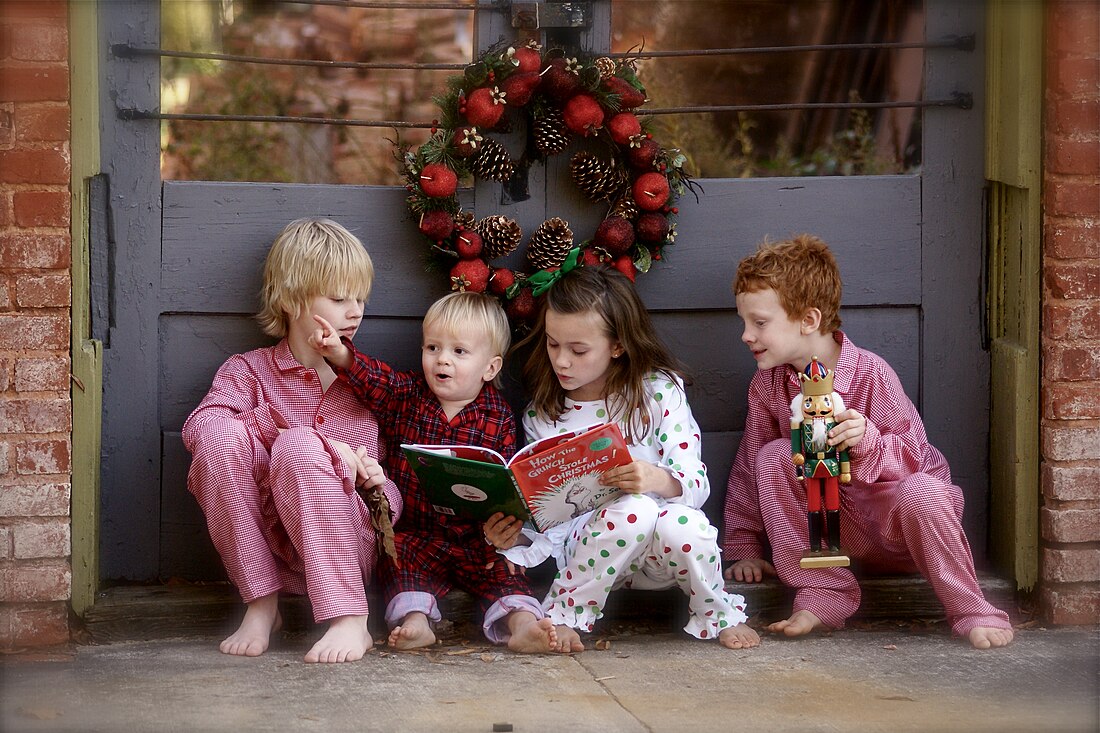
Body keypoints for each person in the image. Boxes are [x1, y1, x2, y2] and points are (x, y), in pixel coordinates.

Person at [722, 233, 1014, 649]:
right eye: (744, 323)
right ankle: (825, 591)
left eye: (760, 323)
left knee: (925, 493)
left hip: (897, 529)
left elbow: (923, 465)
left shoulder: (871, 374)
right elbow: (751, 465)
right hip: (834, 532)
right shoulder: (769, 385)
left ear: (809, 320)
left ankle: (971, 608)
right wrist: (746, 544)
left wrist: (869, 442)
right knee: (772, 456)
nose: (746, 335)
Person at [485, 262, 760, 652]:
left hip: (665, 552)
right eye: (552, 344)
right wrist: (515, 534)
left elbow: (695, 483)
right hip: (592, 552)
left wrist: (655, 479)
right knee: (634, 511)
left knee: (684, 524)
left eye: (578, 350)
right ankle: (565, 613)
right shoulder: (545, 415)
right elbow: (546, 517)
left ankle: (717, 612)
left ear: (617, 345)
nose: (561, 361)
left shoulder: (659, 393)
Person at [182, 217, 401, 664]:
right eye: (339, 298)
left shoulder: (367, 382)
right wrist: (299, 435)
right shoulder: (250, 371)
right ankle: (261, 604)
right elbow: (199, 430)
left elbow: (392, 502)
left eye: (360, 298)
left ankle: (349, 619)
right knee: (223, 437)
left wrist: (368, 478)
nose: (355, 311)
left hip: (348, 543)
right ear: (290, 299)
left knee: (300, 448)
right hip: (266, 545)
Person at [308, 291, 561, 654]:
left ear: (490, 368)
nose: (442, 359)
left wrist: (506, 527)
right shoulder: (407, 395)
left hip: (478, 540)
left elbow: (506, 481)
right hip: (420, 534)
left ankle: (521, 624)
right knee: (398, 559)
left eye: (459, 352)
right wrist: (338, 352)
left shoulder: (499, 414)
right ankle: (416, 621)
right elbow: (373, 378)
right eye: (433, 347)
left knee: (505, 568)